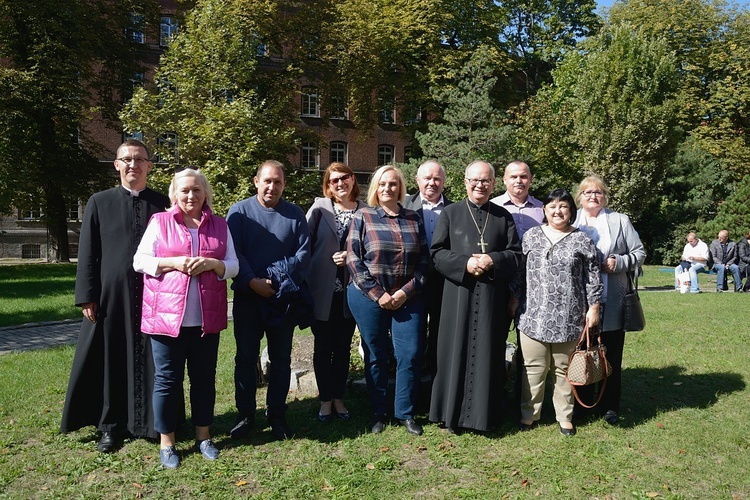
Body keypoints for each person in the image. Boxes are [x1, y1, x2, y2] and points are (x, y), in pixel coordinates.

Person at [60, 139, 169, 453]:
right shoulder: (99, 201)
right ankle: (109, 426)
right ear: (117, 165)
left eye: (139, 159)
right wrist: (87, 296)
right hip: (111, 298)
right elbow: (88, 252)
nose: (133, 164)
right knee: (110, 359)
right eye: (127, 159)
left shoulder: (163, 204)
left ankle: (150, 422)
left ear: (149, 165)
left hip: (154, 296)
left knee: (154, 359)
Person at [133, 168, 238, 468]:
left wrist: (214, 263)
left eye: (196, 190)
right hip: (166, 319)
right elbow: (139, 261)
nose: (190, 196)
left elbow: (234, 266)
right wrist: (172, 262)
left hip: (206, 319)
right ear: (174, 194)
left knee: (204, 379)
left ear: (205, 193)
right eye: (184, 191)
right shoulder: (160, 221)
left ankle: (203, 436)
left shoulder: (220, 225)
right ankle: (168, 442)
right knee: (167, 381)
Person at [429, 160, 522, 433]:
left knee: (487, 352)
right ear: (465, 181)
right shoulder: (451, 213)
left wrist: (492, 260)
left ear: (494, 184)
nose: (480, 185)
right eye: (475, 180)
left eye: (486, 181)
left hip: (492, 296)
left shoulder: (503, 216)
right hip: (458, 294)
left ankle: (484, 416)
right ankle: (450, 414)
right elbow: (437, 253)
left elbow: (515, 254)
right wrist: (465, 264)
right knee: (455, 349)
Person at [226, 160, 311, 441]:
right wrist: (251, 281)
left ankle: (277, 414)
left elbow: (302, 255)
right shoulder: (239, 212)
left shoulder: (295, 215)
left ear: (284, 185)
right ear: (256, 182)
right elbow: (233, 252)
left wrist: (277, 282)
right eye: (267, 181)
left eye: (277, 182)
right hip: (248, 298)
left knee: (281, 359)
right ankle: (245, 415)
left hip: (282, 299)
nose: (272, 186)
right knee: (246, 358)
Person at [512, 189, 602, 436]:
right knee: (533, 367)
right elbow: (519, 274)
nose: (557, 211)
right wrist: (513, 300)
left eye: (563, 206)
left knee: (564, 369)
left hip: (569, 316)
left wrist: (594, 307)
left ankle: (565, 417)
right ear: (544, 210)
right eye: (552, 206)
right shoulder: (531, 237)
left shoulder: (582, 240)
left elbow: (592, 277)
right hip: (533, 315)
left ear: (571, 211)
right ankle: (529, 414)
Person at [346, 165, 428, 436]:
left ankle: (404, 412)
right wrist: (378, 294)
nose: (387, 188)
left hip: (408, 296)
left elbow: (425, 262)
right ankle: (379, 411)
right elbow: (353, 259)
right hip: (369, 297)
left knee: (411, 353)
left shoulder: (414, 218)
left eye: (393, 184)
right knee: (376, 354)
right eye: (382, 184)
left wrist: (405, 291)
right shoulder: (363, 216)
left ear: (400, 188)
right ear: (375, 188)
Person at [573, 176, 645, 425]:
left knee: (611, 355)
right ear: (579, 196)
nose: (593, 196)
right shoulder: (572, 219)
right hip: (578, 300)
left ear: (605, 196)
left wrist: (618, 262)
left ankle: (609, 407)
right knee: (581, 352)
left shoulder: (619, 220)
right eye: (587, 192)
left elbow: (639, 252)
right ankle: (581, 404)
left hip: (611, 299)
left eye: (598, 192)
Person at [305, 163, 364, 422]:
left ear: (353, 180)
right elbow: (304, 245)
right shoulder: (319, 209)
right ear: (328, 186)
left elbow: (372, 248)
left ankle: (339, 399)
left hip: (352, 292)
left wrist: (350, 257)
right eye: (333, 180)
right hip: (323, 291)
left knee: (342, 349)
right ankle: (325, 400)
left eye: (344, 178)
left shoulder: (366, 211)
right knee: (322, 348)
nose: (340, 184)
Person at [403, 160, 452, 379]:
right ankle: (410, 375)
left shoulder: (455, 210)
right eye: (427, 178)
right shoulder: (403, 206)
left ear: (443, 181)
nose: (432, 183)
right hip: (410, 280)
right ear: (417, 180)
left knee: (441, 333)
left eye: (436, 178)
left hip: (443, 282)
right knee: (413, 332)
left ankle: (435, 376)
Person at [490, 160, 545, 239]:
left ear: (530, 179)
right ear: (505, 180)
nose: (519, 181)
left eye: (523, 177)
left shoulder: (542, 208)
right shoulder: (492, 206)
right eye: (513, 177)